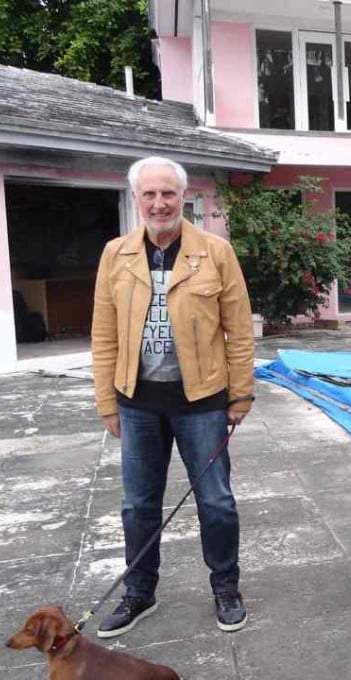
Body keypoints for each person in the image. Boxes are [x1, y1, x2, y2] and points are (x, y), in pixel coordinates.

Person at [90, 156, 255, 638]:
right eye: (149, 194)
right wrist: (106, 401)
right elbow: (104, 334)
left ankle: (226, 586)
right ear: (136, 199)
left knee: (216, 502)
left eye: (168, 193)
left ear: (183, 196)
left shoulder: (215, 252)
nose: (159, 203)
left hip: (202, 400)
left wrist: (240, 395)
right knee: (138, 504)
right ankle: (139, 592)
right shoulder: (115, 254)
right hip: (137, 403)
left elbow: (239, 331)